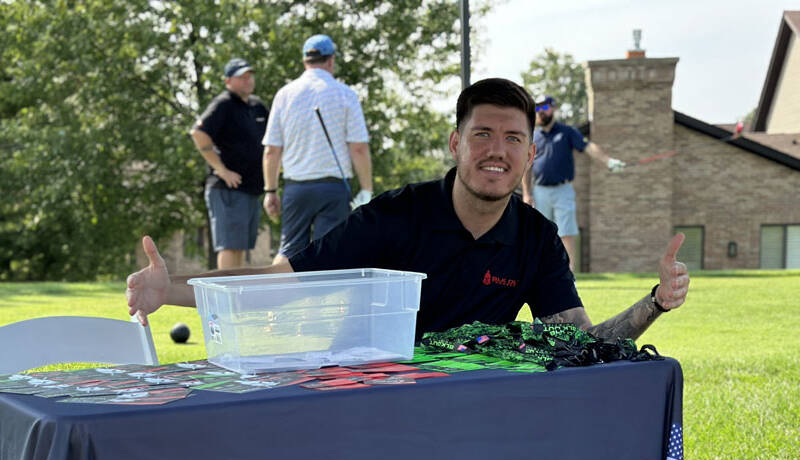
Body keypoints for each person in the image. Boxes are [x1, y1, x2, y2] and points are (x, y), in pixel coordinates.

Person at [127, 78, 688, 344]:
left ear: (530, 153)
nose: (497, 151)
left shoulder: (536, 238)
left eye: (514, 139)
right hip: (370, 398)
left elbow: (577, 346)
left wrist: (656, 303)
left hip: (470, 409)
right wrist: (167, 287)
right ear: (455, 143)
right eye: (483, 135)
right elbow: (281, 281)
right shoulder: (397, 215)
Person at [262, 34, 373, 258]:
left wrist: (270, 191)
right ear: (331, 60)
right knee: (329, 255)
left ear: (305, 61)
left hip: (296, 188)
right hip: (333, 188)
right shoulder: (346, 94)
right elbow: (358, 148)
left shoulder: (284, 95)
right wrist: (367, 190)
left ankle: (276, 294)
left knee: (289, 252)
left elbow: (272, 150)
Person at [522, 95, 625, 271]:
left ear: (553, 108)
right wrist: (526, 192)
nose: (540, 112)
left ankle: (568, 277)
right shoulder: (533, 136)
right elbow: (526, 167)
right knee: (539, 233)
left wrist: (608, 161)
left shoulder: (567, 132)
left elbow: (588, 147)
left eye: (544, 107)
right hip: (539, 191)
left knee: (566, 232)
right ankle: (539, 275)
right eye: (537, 109)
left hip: (563, 189)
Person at [190, 58, 269, 270]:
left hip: (250, 189)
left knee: (240, 247)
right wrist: (222, 170)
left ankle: (236, 299)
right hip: (228, 189)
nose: (248, 81)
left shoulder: (257, 106)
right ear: (228, 81)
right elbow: (198, 134)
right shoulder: (223, 104)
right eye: (242, 77)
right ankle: (226, 301)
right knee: (229, 246)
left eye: (249, 76)